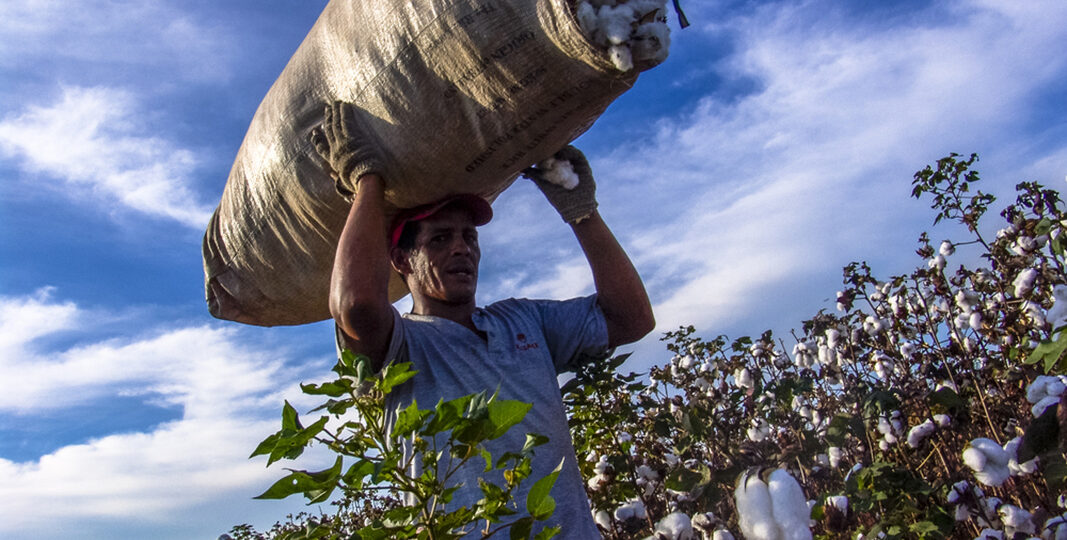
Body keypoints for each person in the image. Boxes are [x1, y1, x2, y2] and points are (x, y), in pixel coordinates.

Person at [313, 101, 654, 537]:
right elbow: (355, 305)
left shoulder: (524, 320)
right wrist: (367, 179)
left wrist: (581, 211)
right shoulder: (397, 346)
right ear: (401, 259)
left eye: (469, 237)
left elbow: (632, 318)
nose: (462, 248)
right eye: (440, 239)